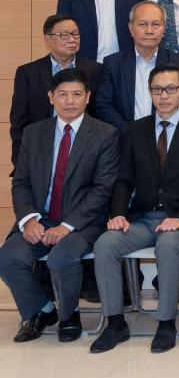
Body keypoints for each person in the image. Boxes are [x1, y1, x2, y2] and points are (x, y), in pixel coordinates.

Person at [90, 64, 179, 354]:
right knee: (106, 244)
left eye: (171, 89)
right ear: (150, 93)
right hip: (143, 218)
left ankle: (166, 323)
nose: (164, 95)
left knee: (168, 245)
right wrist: (118, 213)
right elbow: (123, 179)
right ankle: (115, 323)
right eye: (157, 89)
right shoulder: (135, 130)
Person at [0, 69, 117, 343]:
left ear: (88, 97)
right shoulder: (33, 133)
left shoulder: (105, 134)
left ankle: (69, 314)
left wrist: (67, 226)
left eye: (77, 94)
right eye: (63, 94)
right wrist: (29, 220)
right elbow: (21, 182)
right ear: (51, 97)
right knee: (8, 258)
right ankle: (41, 310)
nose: (70, 101)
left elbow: (102, 190)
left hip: (82, 223)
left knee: (60, 258)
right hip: (41, 219)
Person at [10, 14, 102, 166]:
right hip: (41, 149)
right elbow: (19, 121)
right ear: (48, 40)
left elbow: (100, 115)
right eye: (64, 35)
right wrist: (21, 163)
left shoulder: (96, 70)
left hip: (85, 151)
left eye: (75, 34)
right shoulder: (28, 73)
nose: (72, 39)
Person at [94, 1, 179, 132]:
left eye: (156, 24)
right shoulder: (113, 63)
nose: (149, 31)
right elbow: (103, 104)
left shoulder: (177, 62)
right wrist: (130, 132)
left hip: (165, 135)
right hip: (125, 137)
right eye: (142, 24)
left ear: (164, 29)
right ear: (131, 28)